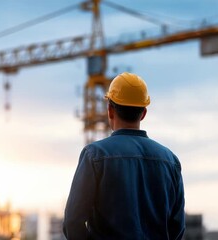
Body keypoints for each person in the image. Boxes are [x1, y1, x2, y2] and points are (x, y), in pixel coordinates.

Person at [63, 72, 185, 239]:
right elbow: (177, 227)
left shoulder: (95, 155)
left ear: (110, 110)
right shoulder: (170, 161)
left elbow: (73, 222)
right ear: (143, 113)